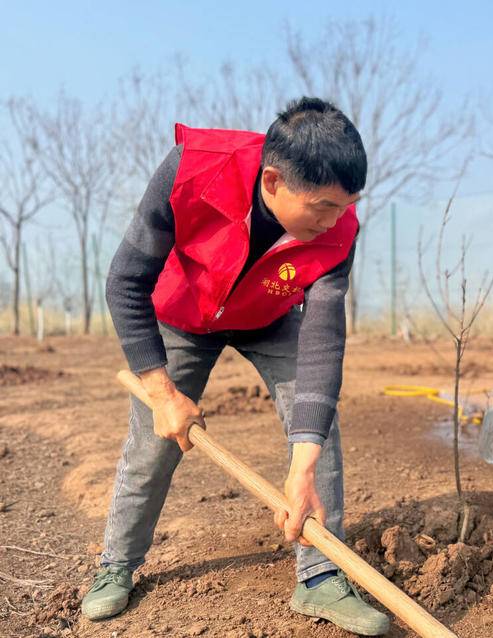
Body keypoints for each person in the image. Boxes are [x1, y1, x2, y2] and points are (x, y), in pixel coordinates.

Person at [81, 98, 390, 635]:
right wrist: (163, 393)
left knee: (317, 428)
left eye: (345, 206)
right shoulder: (192, 170)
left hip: (268, 316)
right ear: (273, 181)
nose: (334, 221)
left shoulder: (341, 228)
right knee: (154, 441)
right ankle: (117, 564)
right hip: (185, 314)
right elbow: (125, 282)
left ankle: (320, 577)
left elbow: (322, 343)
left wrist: (303, 467)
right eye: (321, 207)